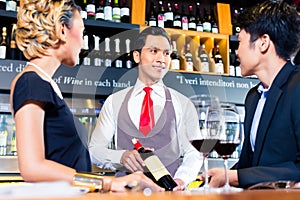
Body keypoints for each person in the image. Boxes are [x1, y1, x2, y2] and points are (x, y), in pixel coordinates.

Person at [10, 0, 164, 192]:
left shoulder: (43, 83)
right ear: (62, 30)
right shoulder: (31, 82)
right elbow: (32, 168)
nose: (83, 43)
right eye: (82, 32)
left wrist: (123, 157)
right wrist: (108, 183)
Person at [89, 27, 202, 190]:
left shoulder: (183, 104)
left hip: (168, 193)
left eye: (166, 53)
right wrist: (121, 156)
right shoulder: (114, 101)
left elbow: (194, 152)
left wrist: (181, 180)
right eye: (154, 51)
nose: (162, 59)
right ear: (137, 56)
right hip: (125, 193)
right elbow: (94, 150)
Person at [203, 0, 300, 189]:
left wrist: (233, 176)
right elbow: (250, 164)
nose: (236, 51)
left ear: (263, 42)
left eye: (239, 41)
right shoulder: (253, 97)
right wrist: (221, 174)